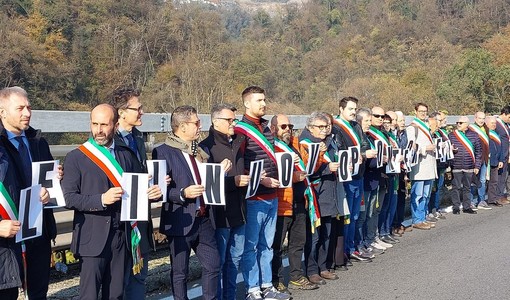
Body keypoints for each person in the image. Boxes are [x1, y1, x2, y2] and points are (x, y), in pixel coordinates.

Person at [62, 104, 162, 299]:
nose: (98, 130)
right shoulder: (76, 157)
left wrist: (151, 193)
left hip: (121, 236)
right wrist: (101, 199)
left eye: (104, 125)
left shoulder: (127, 155)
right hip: (93, 238)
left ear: (116, 125)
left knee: (116, 293)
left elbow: (137, 189)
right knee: (89, 295)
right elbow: (69, 197)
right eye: (94, 124)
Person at [152, 105, 220, 300]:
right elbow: (160, 190)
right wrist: (182, 193)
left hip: (204, 217)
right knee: (180, 271)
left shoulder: (201, 150)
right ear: (182, 126)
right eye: (196, 123)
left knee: (213, 264)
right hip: (180, 218)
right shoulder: (163, 151)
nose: (200, 126)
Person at [110, 88, 167, 299]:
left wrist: (154, 185)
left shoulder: (137, 138)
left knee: (139, 274)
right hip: (121, 221)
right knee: (121, 279)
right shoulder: (111, 140)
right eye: (138, 108)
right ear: (122, 112)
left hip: (140, 216)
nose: (142, 112)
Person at [0, 86, 56, 300]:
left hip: (37, 230)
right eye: (20, 108)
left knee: (39, 293)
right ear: (2, 112)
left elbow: (48, 182)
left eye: (29, 107)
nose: (27, 113)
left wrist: (51, 188)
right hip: (7, 237)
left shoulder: (38, 142)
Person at [236, 86, 289, 300]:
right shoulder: (240, 130)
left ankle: (267, 286)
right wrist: (260, 179)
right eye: (259, 100)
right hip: (254, 197)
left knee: (267, 244)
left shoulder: (267, 128)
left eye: (264, 100)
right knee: (251, 246)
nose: (264, 104)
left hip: (271, 195)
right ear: (247, 103)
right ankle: (252, 289)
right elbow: (239, 165)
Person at [199, 103, 250, 300]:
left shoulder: (238, 141)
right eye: (229, 120)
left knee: (234, 260)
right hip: (220, 213)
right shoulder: (206, 147)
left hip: (239, 210)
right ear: (215, 122)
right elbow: (207, 184)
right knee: (218, 263)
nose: (233, 123)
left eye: (234, 120)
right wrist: (233, 181)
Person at [270, 114, 318, 292]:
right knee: (277, 245)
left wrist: (317, 154)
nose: (288, 130)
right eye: (283, 126)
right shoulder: (272, 146)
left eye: (290, 126)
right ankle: (276, 279)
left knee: (298, 242)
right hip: (283, 201)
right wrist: (293, 177)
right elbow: (274, 174)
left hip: (300, 201)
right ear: (273, 128)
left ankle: (297, 275)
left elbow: (308, 166)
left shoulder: (296, 145)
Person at [301, 112, 342, 285]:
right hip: (317, 192)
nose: (324, 130)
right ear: (310, 128)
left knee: (327, 232)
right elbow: (307, 170)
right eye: (320, 127)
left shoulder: (329, 141)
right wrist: (327, 168)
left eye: (326, 126)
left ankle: (323, 266)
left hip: (330, 192)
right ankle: (311, 270)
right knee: (315, 236)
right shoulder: (305, 144)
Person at [332, 97, 373, 263]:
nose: (353, 112)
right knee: (348, 215)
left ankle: (352, 246)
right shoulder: (336, 127)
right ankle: (345, 250)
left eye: (355, 109)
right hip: (347, 177)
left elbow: (365, 145)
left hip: (359, 175)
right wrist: (361, 155)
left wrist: (362, 153)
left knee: (356, 215)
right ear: (341, 109)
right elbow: (340, 150)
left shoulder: (356, 125)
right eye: (350, 109)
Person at [405, 103, 437, 230]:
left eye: (425, 111)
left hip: (429, 165)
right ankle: (417, 219)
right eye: (421, 111)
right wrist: (425, 148)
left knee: (426, 194)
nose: (423, 113)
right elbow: (411, 146)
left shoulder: (427, 126)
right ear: (415, 112)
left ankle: (423, 217)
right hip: (419, 166)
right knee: (418, 194)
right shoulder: (413, 128)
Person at [448, 116, 481, 215]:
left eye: (461, 123)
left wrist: (477, 166)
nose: (458, 124)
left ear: (467, 124)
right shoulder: (452, 135)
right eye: (457, 122)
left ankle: (467, 207)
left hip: (469, 166)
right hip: (456, 165)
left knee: (467, 187)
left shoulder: (474, 135)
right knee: (456, 187)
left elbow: (478, 152)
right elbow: (447, 150)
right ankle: (456, 207)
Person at [469, 112, 490, 210]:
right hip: (475, 159)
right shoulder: (471, 129)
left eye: (483, 118)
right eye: (479, 118)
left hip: (484, 158)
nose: (481, 120)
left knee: (482, 180)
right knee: (473, 180)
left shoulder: (486, 129)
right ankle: (471, 201)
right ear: (475, 118)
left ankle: (481, 200)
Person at [485, 116, 504, 207]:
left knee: (494, 181)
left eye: (495, 123)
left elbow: (500, 148)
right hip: (487, 160)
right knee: (482, 181)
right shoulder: (485, 133)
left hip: (496, 161)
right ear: (487, 123)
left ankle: (492, 199)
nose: (494, 125)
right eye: (492, 123)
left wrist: (501, 160)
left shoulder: (496, 134)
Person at [495, 106, 510, 204]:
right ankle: (498, 196)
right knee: (500, 175)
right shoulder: (496, 124)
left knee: (504, 175)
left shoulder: (506, 125)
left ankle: (502, 194)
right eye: (509, 117)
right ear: (504, 114)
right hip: (500, 153)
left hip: (506, 153)